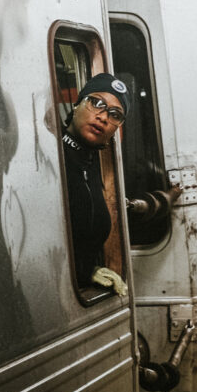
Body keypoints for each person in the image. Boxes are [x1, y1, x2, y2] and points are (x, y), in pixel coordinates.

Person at [63, 73, 131, 292]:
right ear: (76, 105)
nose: (103, 117)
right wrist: (84, 273)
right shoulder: (53, 157)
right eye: (97, 103)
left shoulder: (90, 163)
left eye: (115, 114)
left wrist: (89, 270)